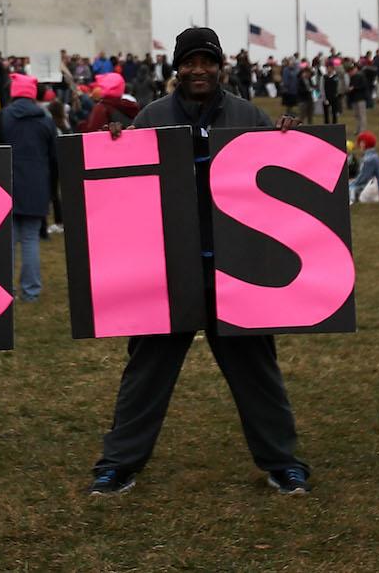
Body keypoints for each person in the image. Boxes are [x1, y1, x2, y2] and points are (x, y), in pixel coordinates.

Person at [90, 26, 311, 496]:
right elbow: (120, 187)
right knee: (146, 372)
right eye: (189, 62)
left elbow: (290, 179)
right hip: (170, 271)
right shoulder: (150, 117)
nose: (198, 70)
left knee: (257, 372)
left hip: (236, 270)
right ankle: (118, 463)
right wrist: (116, 144)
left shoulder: (247, 115)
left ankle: (282, 460)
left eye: (206, 62)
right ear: (177, 68)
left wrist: (290, 140)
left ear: (220, 66)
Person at [0, 63, 57, 303]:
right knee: (30, 240)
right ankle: (31, 291)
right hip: (37, 186)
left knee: (9, 241)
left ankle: (6, 291)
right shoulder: (46, 120)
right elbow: (55, 155)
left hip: (7, 184)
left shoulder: (4, 116)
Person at [348, 131, 379, 204]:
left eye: (361, 142)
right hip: (374, 186)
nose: (359, 144)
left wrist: (351, 183)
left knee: (349, 187)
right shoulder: (373, 155)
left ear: (365, 143)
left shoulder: (369, 159)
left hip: (372, 188)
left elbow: (363, 178)